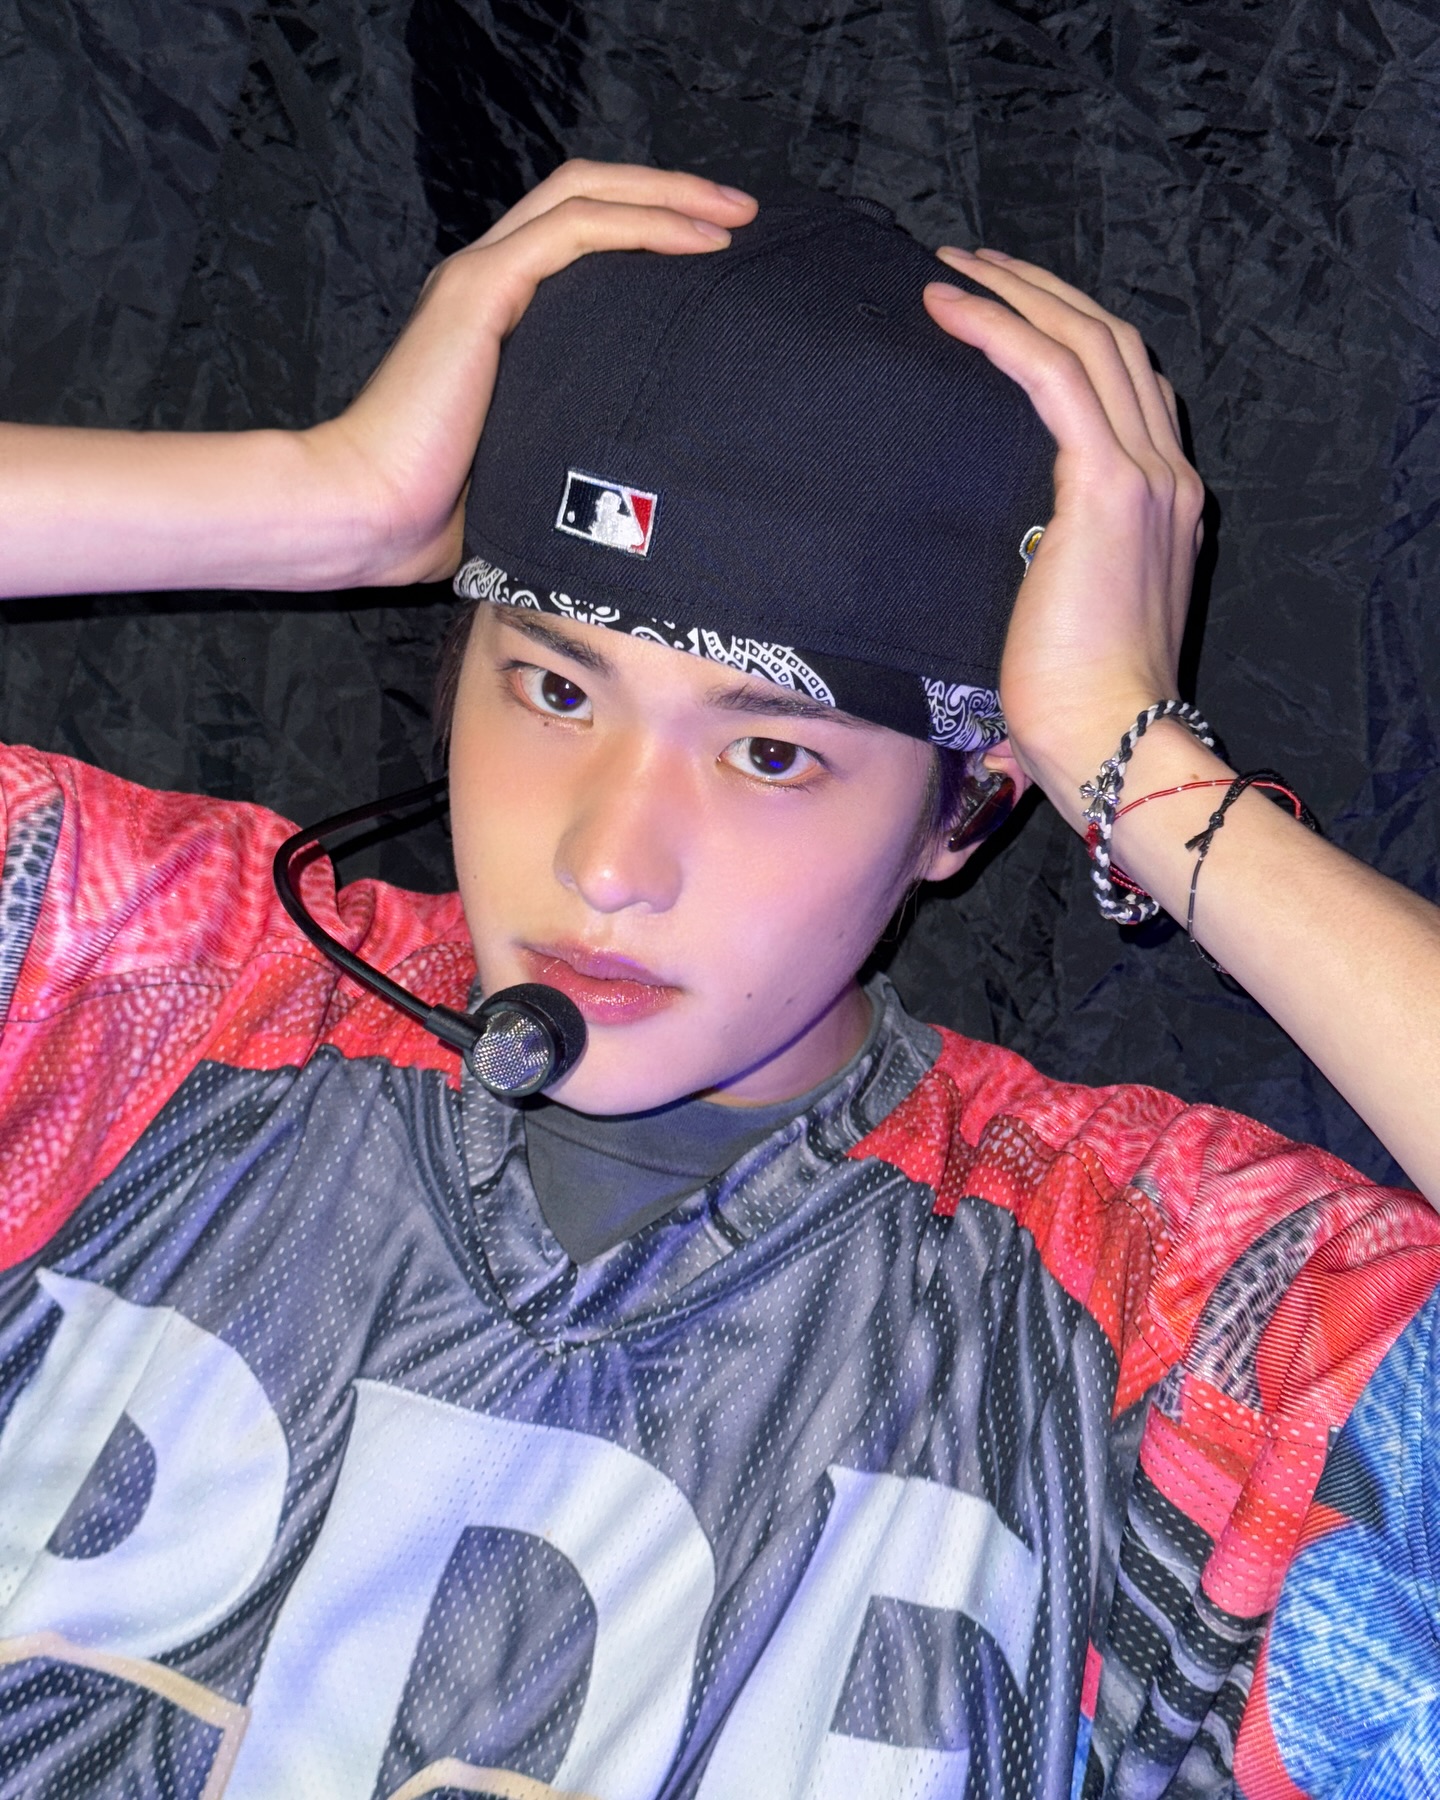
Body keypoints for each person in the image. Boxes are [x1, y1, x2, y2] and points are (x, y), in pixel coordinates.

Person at [0, 160, 1436, 1800]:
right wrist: (317, 497)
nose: (609, 860)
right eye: (555, 687)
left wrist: (1140, 771)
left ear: (967, 806)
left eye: (769, 752)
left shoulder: (1158, 1319)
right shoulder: (122, 989)